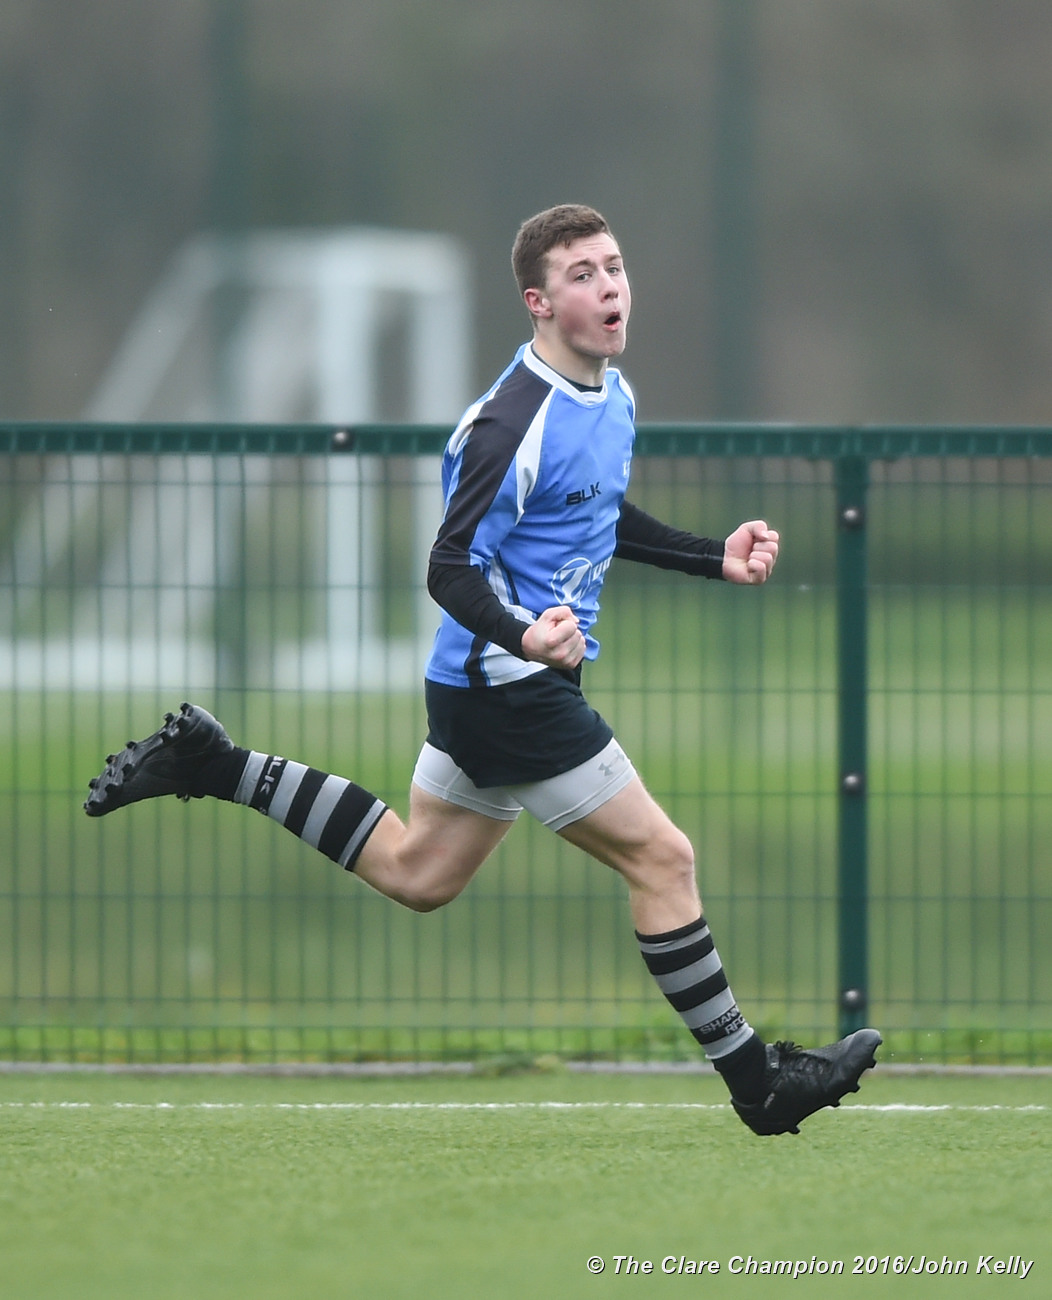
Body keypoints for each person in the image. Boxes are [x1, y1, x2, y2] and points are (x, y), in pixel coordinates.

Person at [85, 203, 880, 1135]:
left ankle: (219, 766)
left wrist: (716, 557)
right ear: (539, 303)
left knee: (420, 872)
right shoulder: (511, 421)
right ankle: (759, 1085)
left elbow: (594, 518)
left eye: (615, 266)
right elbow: (446, 565)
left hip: (501, 685)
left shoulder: (611, 396)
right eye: (582, 273)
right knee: (664, 859)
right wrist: (525, 640)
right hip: (506, 689)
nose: (610, 285)